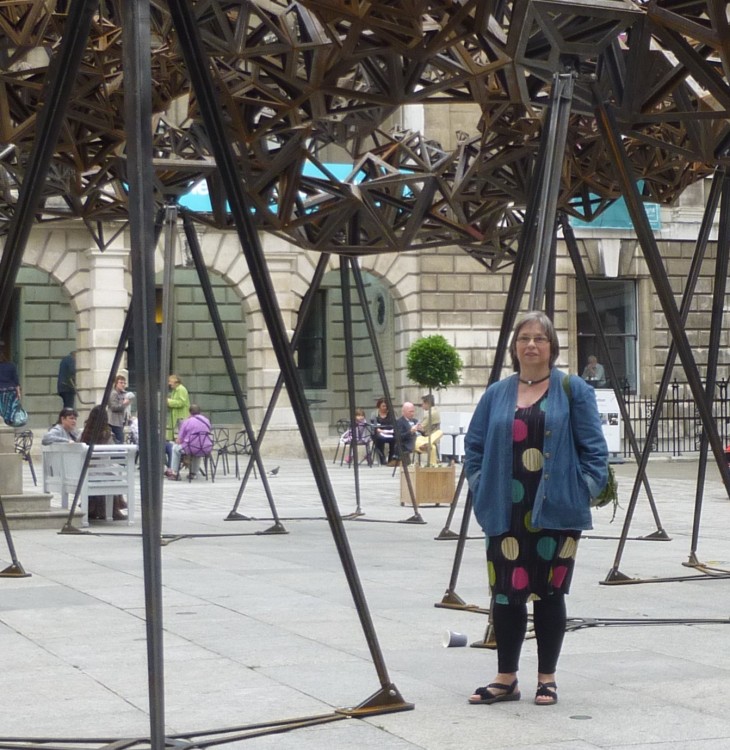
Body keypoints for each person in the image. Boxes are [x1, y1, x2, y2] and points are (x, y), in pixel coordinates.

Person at [464, 311, 608, 707]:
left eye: (539, 339)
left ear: (552, 347)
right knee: (506, 594)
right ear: (514, 347)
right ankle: (505, 678)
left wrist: (583, 491)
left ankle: (547, 678)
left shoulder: (572, 389)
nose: (531, 345)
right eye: (524, 338)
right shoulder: (497, 393)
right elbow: (473, 447)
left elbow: (595, 452)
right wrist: (480, 487)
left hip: (556, 508)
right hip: (504, 509)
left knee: (549, 592)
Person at [79, 405, 127, 520]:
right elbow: (114, 452)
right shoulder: (107, 434)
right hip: (101, 471)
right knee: (114, 473)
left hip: (85, 472)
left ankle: (93, 507)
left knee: (109, 472)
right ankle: (113, 509)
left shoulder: (84, 433)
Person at [166, 404, 212, 480]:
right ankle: (193, 473)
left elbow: (179, 440)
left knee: (175, 448)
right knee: (198, 449)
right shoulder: (206, 421)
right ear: (200, 412)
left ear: (190, 412)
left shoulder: (187, 422)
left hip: (190, 448)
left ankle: (174, 473)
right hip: (205, 448)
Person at [165, 374, 190, 467]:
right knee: (172, 440)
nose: (169, 383)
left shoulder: (181, 389)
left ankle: (177, 462)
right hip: (175, 417)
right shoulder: (175, 390)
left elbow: (181, 402)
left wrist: (169, 402)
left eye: (170, 381)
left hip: (181, 418)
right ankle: (173, 463)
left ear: (175, 381)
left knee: (178, 440)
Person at [414, 394, 443, 467]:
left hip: (427, 436)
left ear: (427, 403)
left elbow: (421, 427)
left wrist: (416, 427)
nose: (422, 405)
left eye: (423, 403)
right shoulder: (436, 411)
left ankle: (427, 443)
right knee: (432, 447)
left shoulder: (430, 414)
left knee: (439, 433)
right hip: (433, 438)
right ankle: (433, 465)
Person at [0, 341, 22, 426]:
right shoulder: (11, 365)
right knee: (10, 412)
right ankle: (8, 426)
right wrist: (18, 393)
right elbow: (16, 381)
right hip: (11, 392)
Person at [108, 374, 132, 444]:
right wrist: (124, 403)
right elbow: (114, 407)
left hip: (121, 421)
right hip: (114, 422)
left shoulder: (124, 393)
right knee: (119, 441)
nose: (123, 385)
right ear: (116, 383)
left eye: (124, 383)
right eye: (121, 383)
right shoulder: (113, 394)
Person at [373, 398, 395, 465]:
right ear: (379, 406)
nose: (384, 408)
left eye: (386, 406)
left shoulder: (391, 414)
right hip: (379, 432)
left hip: (390, 432)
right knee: (379, 439)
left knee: (395, 439)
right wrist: (380, 431)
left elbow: (394, 424)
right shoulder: (374, 414)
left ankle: (391, 459)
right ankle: (382, 458)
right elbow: (374, 426)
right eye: (383, 406)